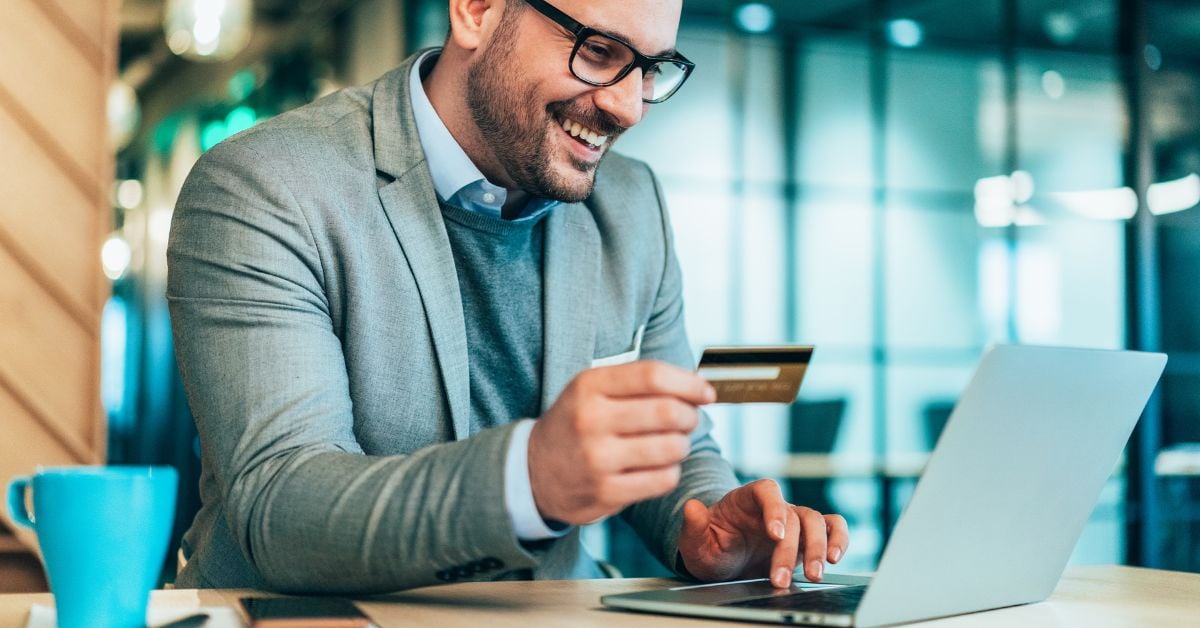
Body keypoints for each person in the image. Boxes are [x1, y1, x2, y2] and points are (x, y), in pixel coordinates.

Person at [167, 0, 848, 593]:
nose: (627, 105)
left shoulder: (634, 207)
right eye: (600, 51)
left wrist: (704, 525)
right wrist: (529, 479)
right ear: (477, 10)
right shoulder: (266, 186)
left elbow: (674, 438)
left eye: (651, 68)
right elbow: (281, 508)